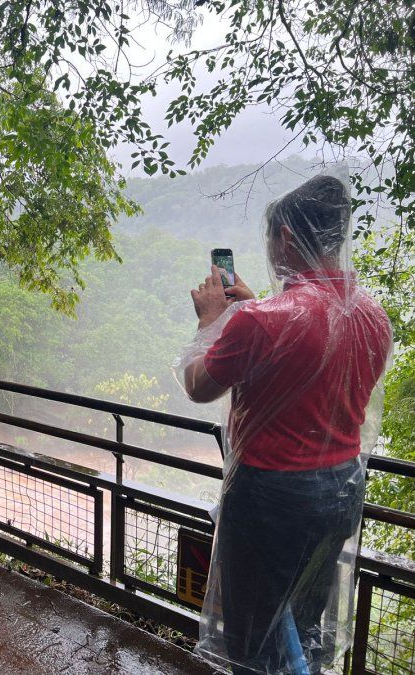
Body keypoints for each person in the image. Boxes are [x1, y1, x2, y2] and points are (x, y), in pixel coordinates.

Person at [179, 176, 392, 674]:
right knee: (304, 623)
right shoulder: (372, 317)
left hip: (271, 498)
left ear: (287, 239)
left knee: (253, 637)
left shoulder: (263, 323)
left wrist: (213, 321)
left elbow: (198, 384)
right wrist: (254, 307)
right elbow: (316, 366)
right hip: (340, 491)